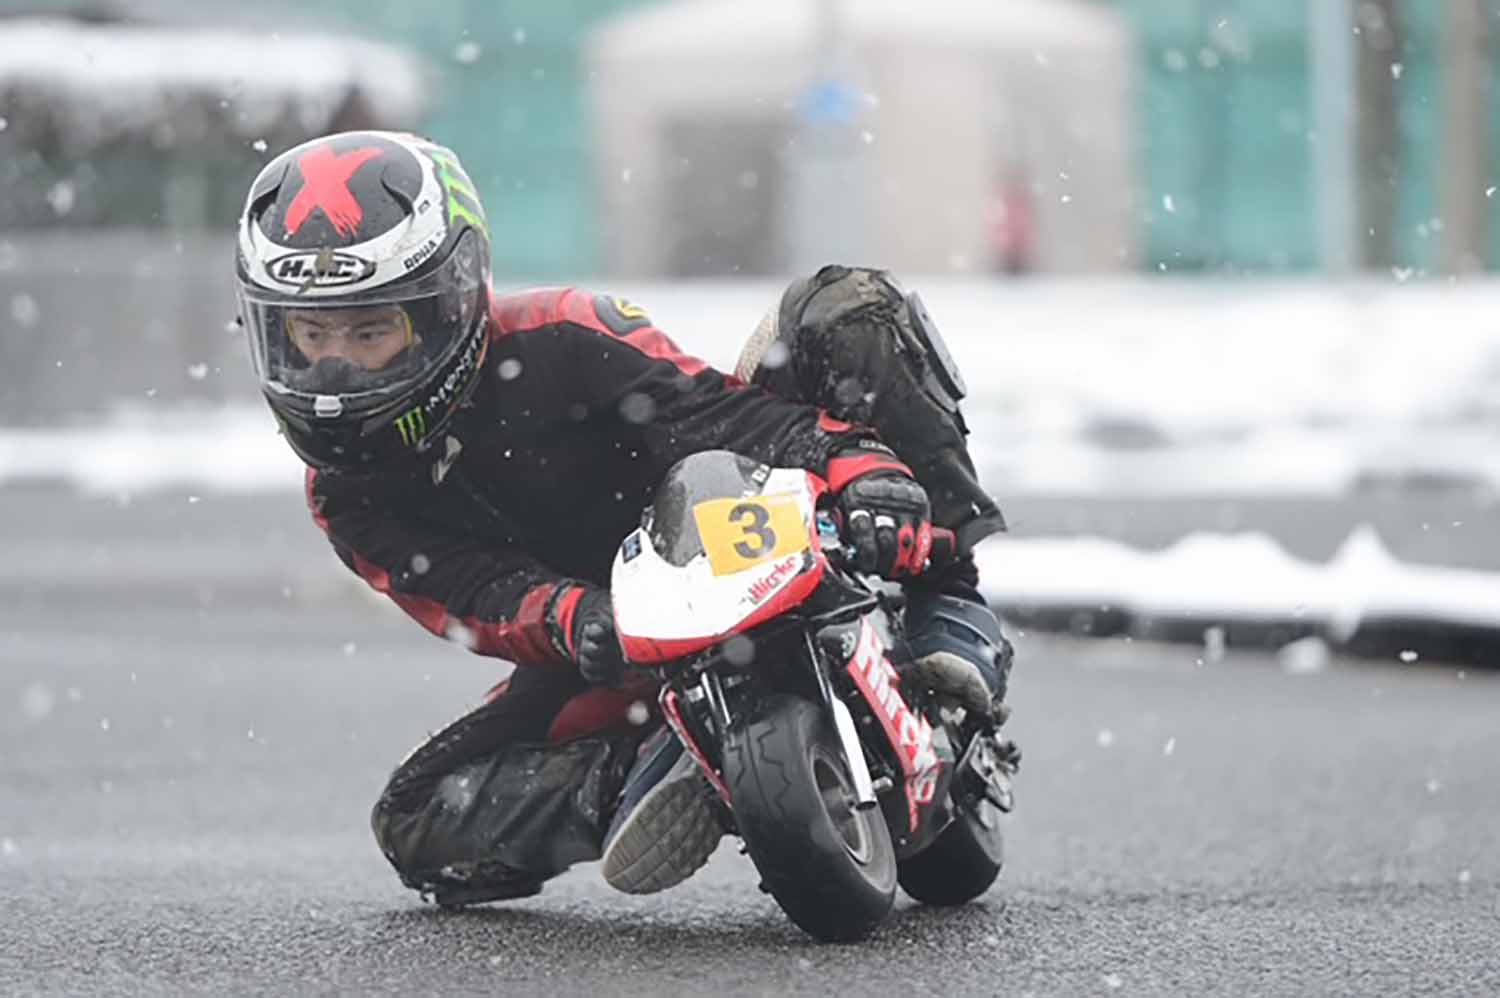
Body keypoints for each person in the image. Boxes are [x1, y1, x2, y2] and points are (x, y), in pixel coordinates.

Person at [235, 130, 1013, 906]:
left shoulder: (568, 333)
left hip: (734, 514)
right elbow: (471, 594)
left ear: (450, 302)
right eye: (311, 334)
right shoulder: (344, 493)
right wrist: (572, 617)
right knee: (416, 819)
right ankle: (652, 772)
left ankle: (950, 604)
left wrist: (858, 465)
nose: (334, 369)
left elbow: (717, 415)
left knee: (846, 305)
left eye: (370, 331)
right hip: (611, 636)